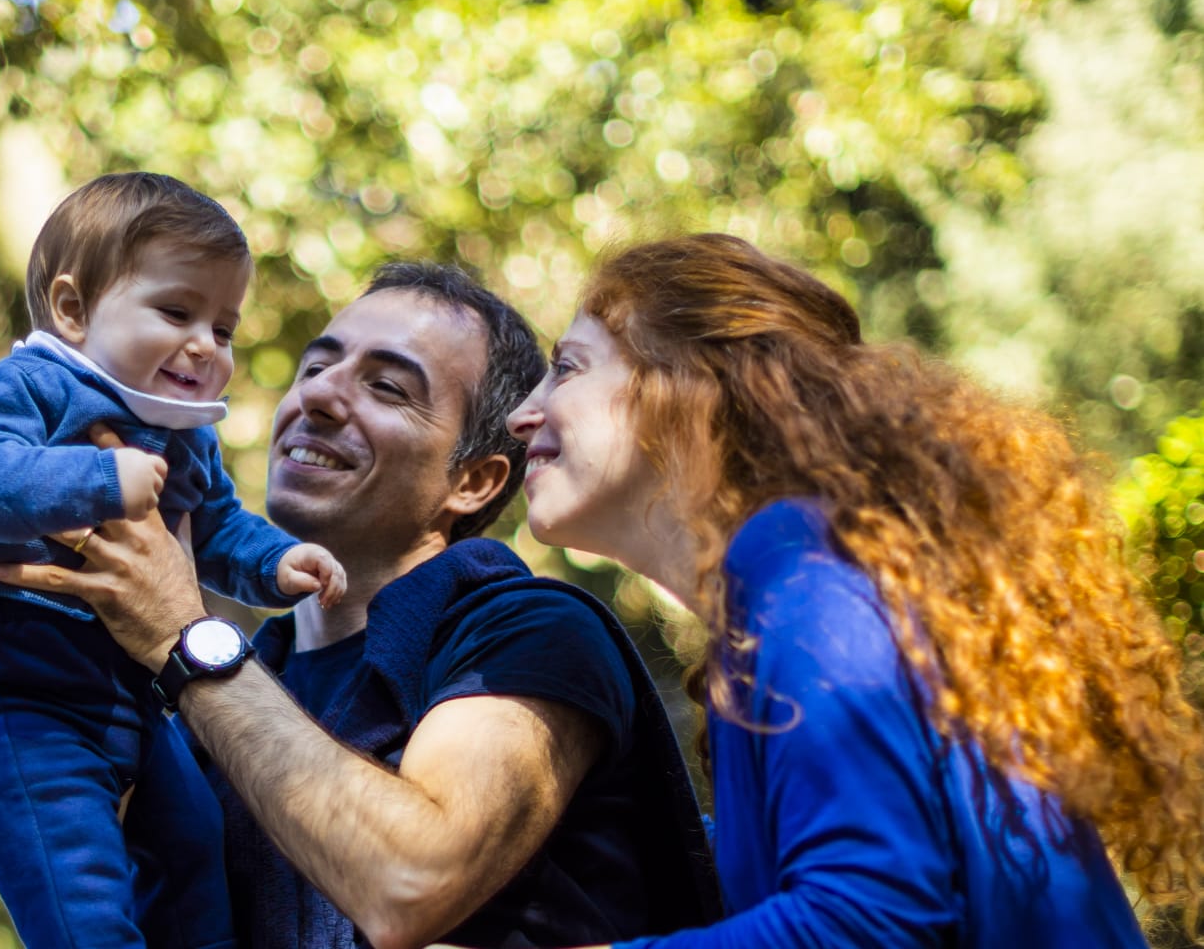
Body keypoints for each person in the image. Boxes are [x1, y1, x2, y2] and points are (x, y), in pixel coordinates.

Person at [501, 232, 1204, 947]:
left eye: (567, 368)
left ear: (693, 389)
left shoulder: (811, 589)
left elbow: (870, 919)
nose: (520, 415)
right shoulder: (803, 585)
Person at [0, 262, 724, 949]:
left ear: (472, 480)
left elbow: (411, 883)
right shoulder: (245, 681)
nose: (316, 395)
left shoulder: (537, 632)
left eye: (386, 387)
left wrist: (185, 637)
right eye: (316, 366)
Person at [0, 172, 345, 949]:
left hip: (135, 697)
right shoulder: (30, 386)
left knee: (197, 850)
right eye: (177, 311)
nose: (204, 346)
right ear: (73, 307)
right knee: (81, 896)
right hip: (12, 690)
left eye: (224, 328)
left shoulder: (186, 435)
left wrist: (279, 563)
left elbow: (216, 527)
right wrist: (97, 480)